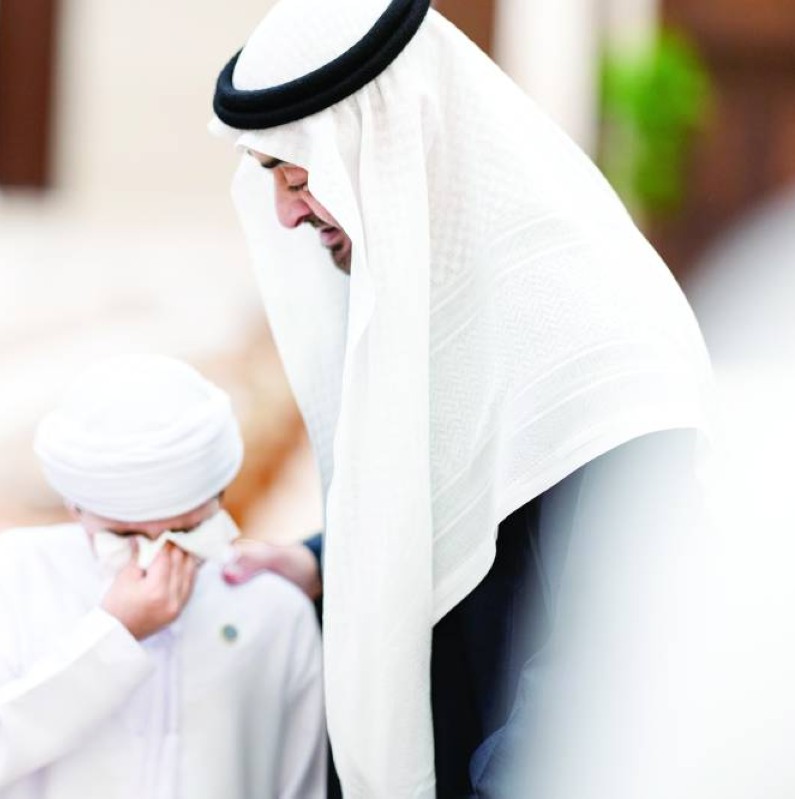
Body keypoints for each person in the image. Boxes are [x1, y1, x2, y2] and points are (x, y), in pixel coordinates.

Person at [210, 2, 713, 797]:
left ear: (384, 144)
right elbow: (459, 489)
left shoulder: (600, 341)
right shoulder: (454, 284)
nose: (287, 212)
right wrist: (320, 564)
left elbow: (600, 669)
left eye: (300, 176)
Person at [0, 354, 326, 799]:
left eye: (185, 531)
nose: (159, 559)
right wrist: (111, 634)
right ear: (74, 506)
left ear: (220, 497)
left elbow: (300, 785)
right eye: (125, 534)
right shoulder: (16, 572)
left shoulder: (273, 610)